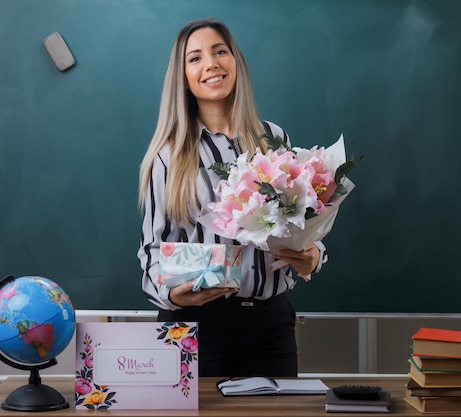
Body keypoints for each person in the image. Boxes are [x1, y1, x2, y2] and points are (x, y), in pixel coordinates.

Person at [137, 18, 327, 377]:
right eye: (195, 58)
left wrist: (314, 254)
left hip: (270, 326)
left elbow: (303, 224)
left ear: (235, 61)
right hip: (195, 326)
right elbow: (152, 256)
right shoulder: (168, 155)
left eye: (220, 51)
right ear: (183, 77)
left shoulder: (274, 138)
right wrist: (176, 294)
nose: (211, 63)